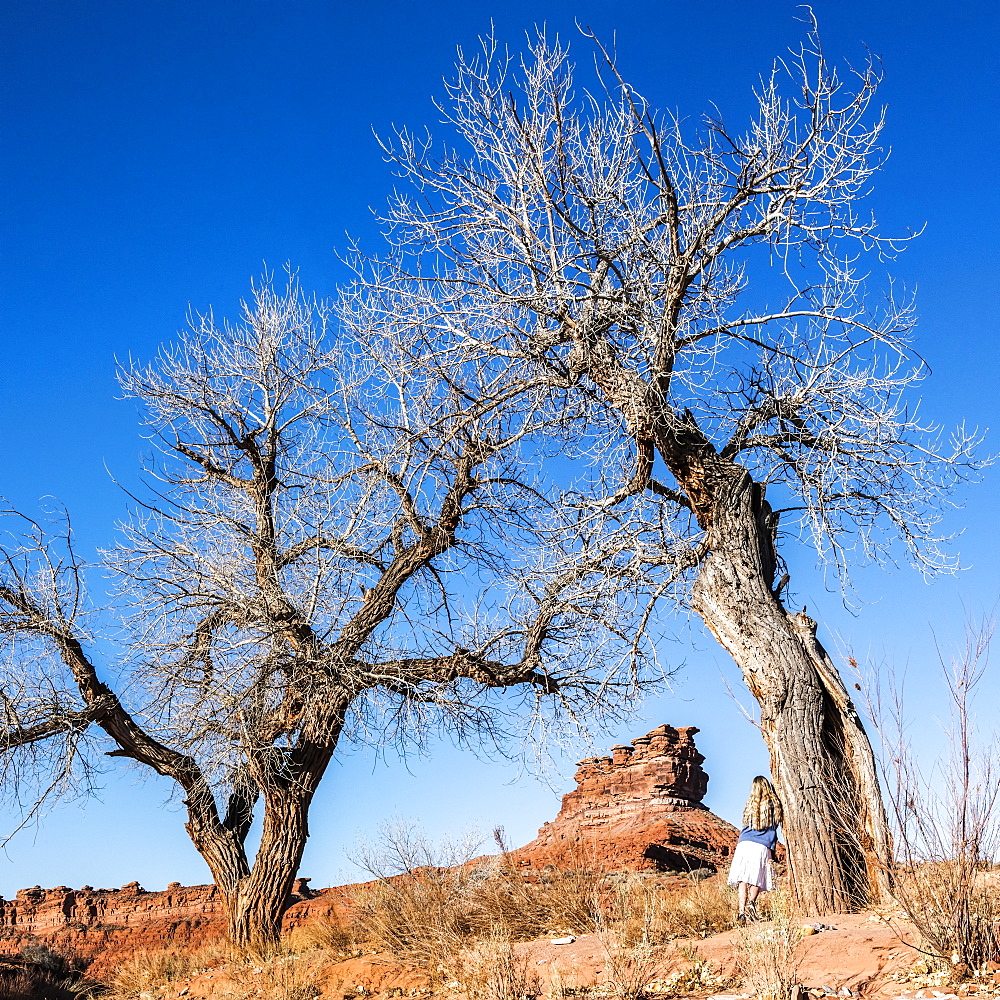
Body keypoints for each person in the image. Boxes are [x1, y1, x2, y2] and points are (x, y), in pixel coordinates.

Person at [727, 775, 782, 922]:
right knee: (757, 877)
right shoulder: (774, 804)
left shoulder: (750, 805)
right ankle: (751, 905)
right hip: (762, 845)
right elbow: (776, 825)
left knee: (743, 878)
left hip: (744, 844)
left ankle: (741, 912)